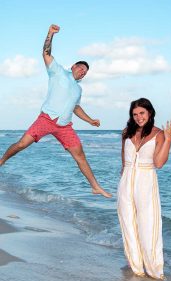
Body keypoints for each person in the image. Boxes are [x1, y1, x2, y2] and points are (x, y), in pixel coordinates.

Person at [0, 24, 111, 198]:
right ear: (74, 66)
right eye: (81, 68)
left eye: (85, 72)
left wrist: (90, 121)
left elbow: (76, 107)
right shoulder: (58, 72)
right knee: (22, 144)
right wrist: (50, 34)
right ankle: (2, 160)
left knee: (80, 155)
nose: (83, 72)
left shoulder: (78, 90)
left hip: (64, 126)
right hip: (45, 119)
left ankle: (95, 186)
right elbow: (46, 53)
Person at [117, 98, 171, 279]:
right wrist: (123, 182)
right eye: (135, 114)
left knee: (148, 226)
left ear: (149, 113)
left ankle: (155, 271)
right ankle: (136, 268)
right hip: (126, 182)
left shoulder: (159, 134)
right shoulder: (126, 132)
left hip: (146, 182)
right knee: (128, 225)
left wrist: (168, 140)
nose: (138, 117)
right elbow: (123, 159)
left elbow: (159, 163)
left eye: (142, 113)